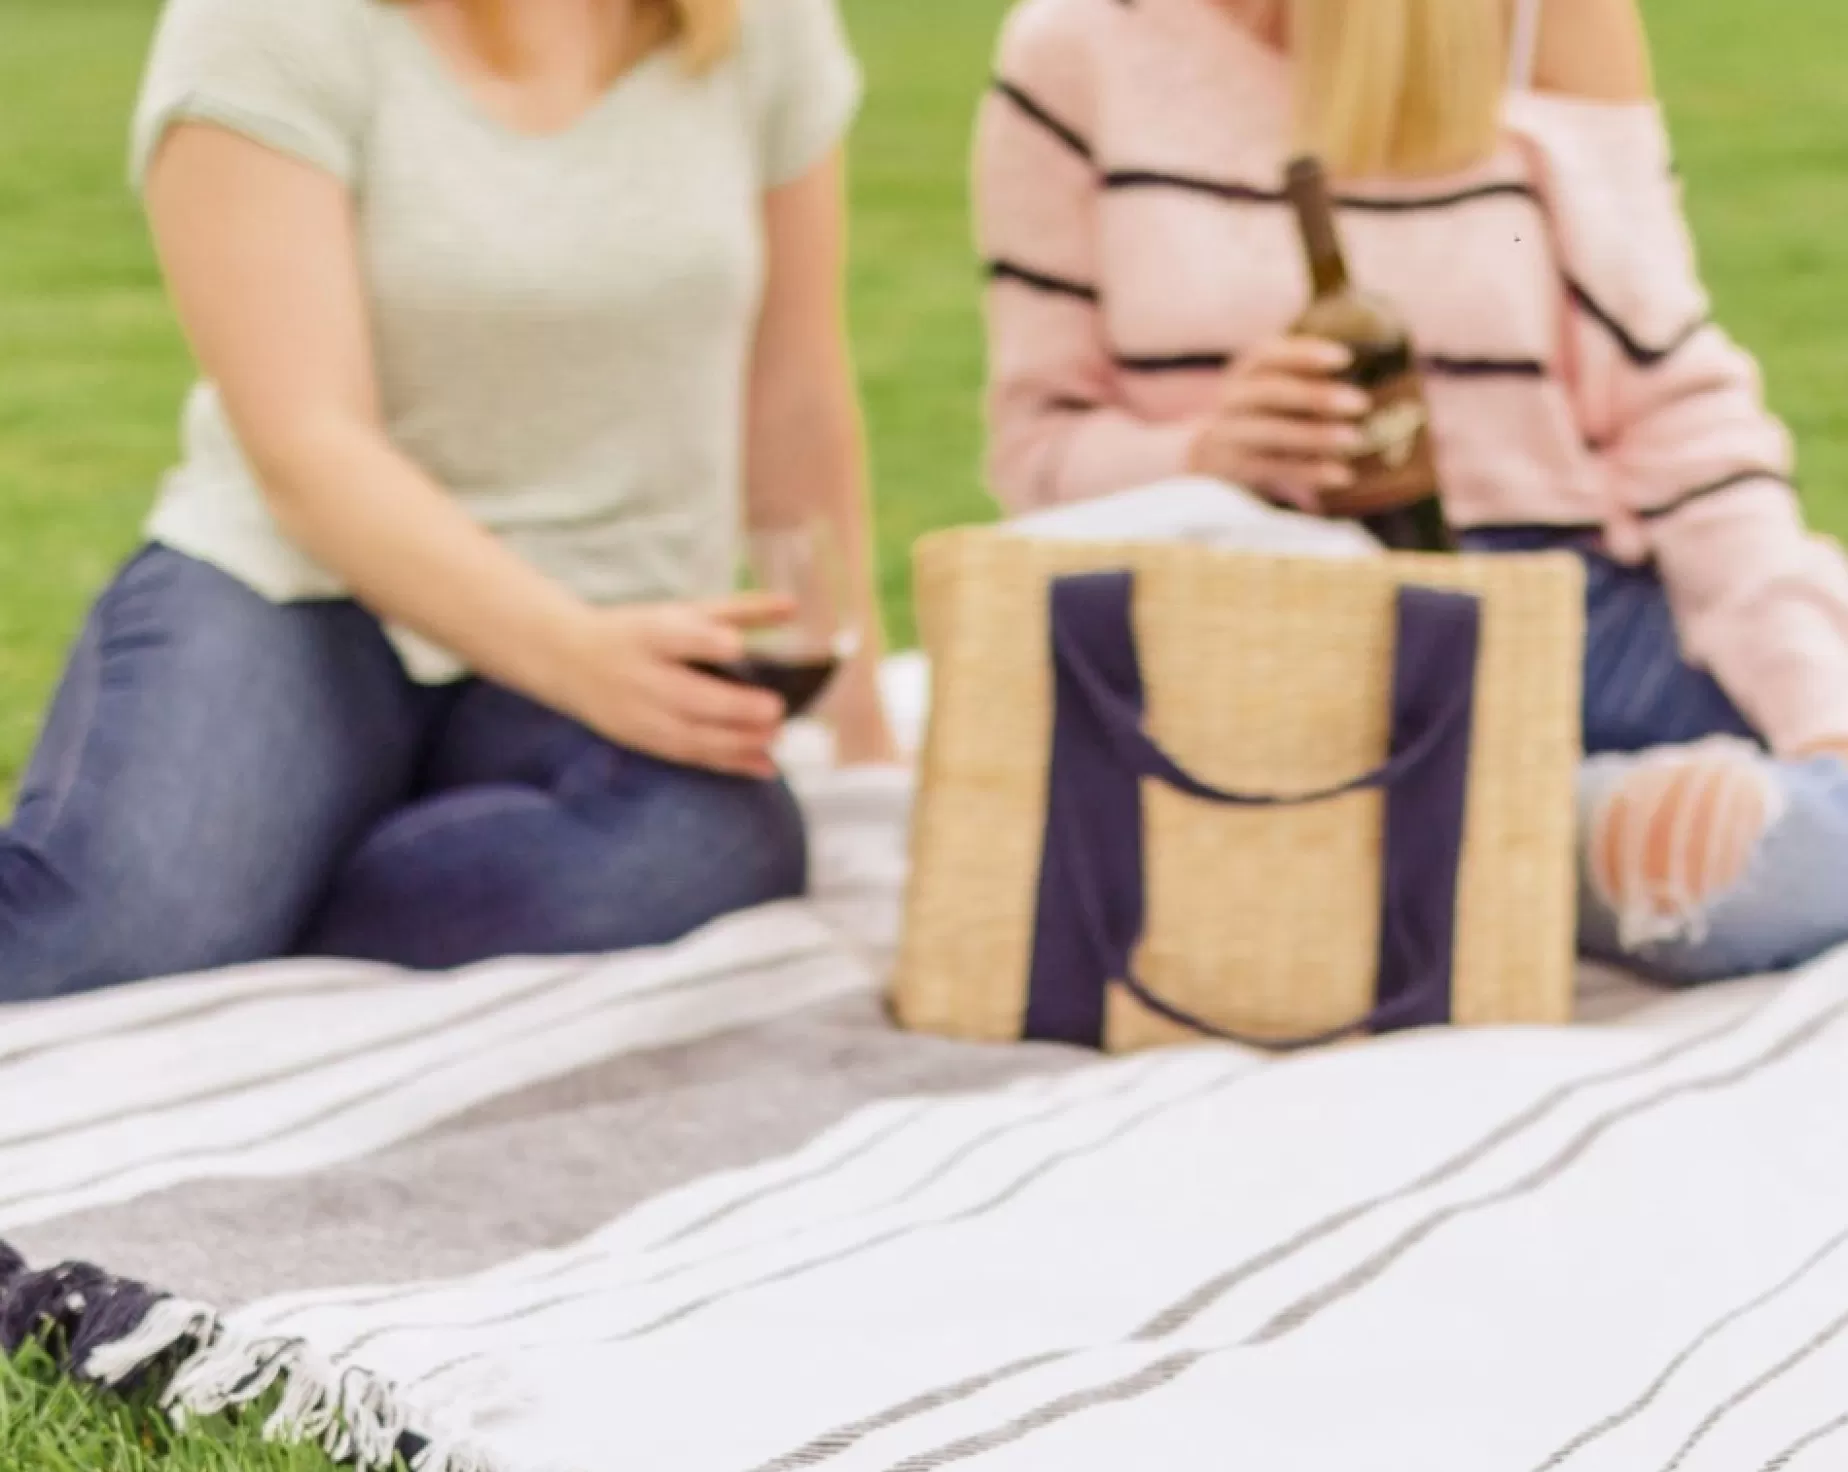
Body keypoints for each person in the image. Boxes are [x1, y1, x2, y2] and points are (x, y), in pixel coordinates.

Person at [0, 0, 894, 1003]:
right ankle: (263, 893)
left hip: (616, 604)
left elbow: (796, 387)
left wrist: (859, 723)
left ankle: (288, 900)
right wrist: (571, 656)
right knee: (114, 938)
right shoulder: (263, 25)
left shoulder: (761, 24)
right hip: (302, 591)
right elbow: (308, 444)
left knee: (706, 848)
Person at [974, 0, 1848, 984]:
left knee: (1799, 833)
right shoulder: (1077, 48)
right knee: (1748, 870)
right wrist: (1205, 455)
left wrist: (1821, 709)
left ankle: (1479, 842)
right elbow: (1037, 460)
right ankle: (1539, 839)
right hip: (1277, 652)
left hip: (1571, 618)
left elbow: (1681, 417)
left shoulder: (1544, 21)